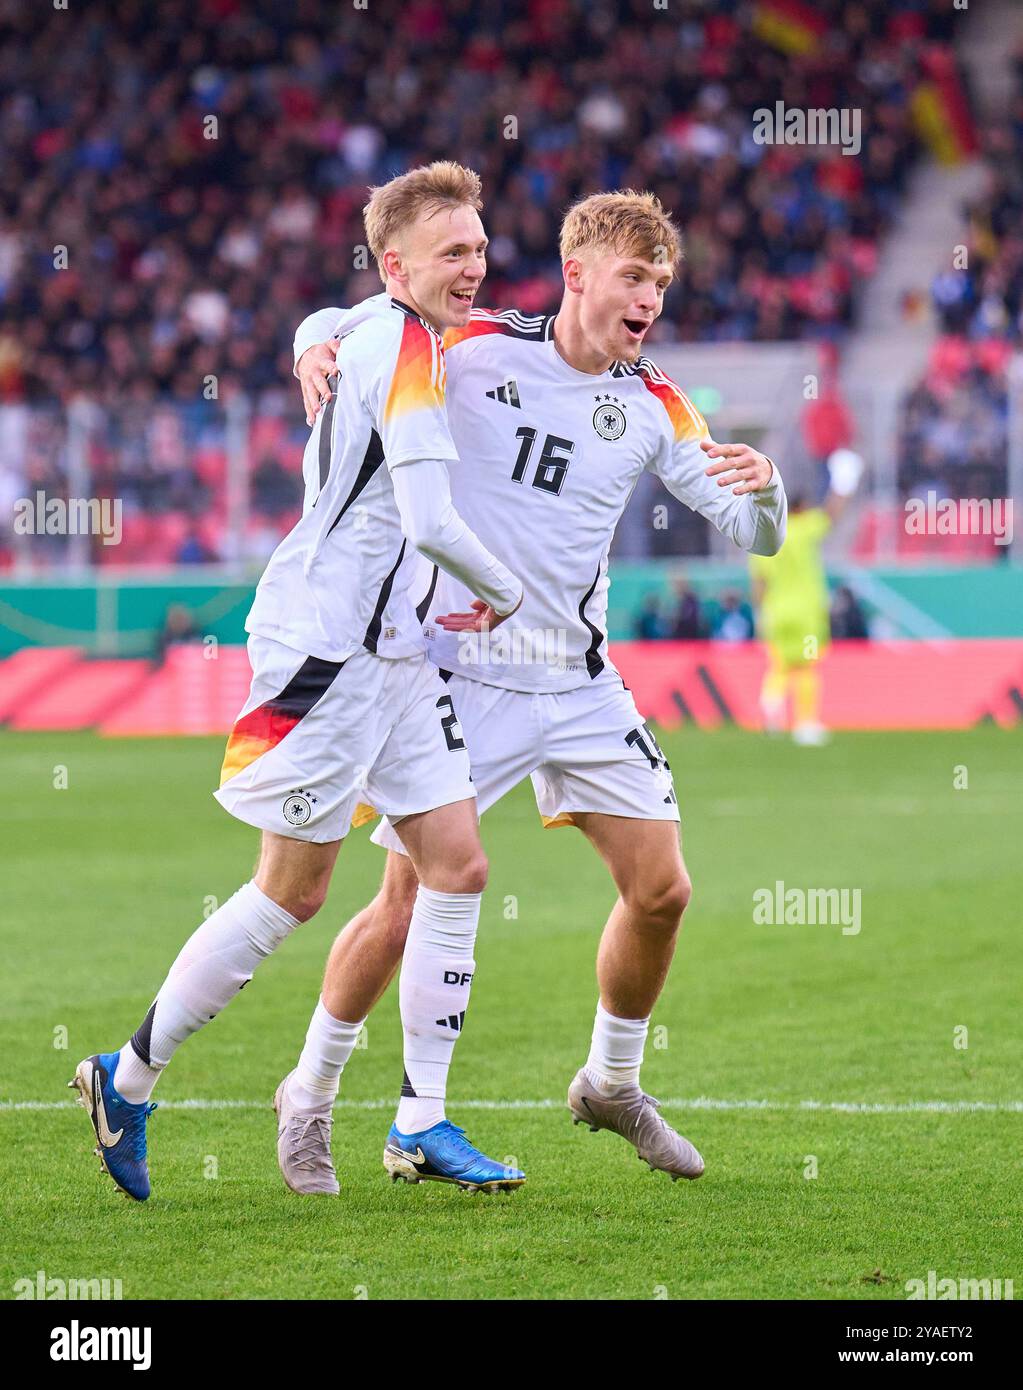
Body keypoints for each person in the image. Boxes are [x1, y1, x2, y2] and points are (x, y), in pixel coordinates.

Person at [280, 190, 787, 1195]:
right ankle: (310, 1095)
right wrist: (308, 341)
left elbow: (757, 534)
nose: (648, 299)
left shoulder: (655, 405)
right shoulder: (472, 344)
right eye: (634, 278)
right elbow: (355, 319)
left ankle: (611, 1082)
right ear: (579, 274)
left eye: (661, 284)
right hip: (463, 677)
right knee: (401, 904)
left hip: (583, 684)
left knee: (663, 889)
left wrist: (767, 487)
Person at [69, 162, 525, 1201]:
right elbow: (429, 521)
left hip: (395, 653)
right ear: (397, 265)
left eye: (482, 247)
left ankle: (422, 1118)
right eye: (455, 252)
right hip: (328, 654)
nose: (476, 266)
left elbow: (336, 311)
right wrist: (509, 595)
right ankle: (126, 1075)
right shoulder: (402, 344)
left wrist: (309, 329)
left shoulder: (378, 325)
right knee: (295, 890)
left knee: (455, 867)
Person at [749, 448, 862, 744]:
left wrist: (760, 614)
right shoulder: (803, 528)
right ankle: (806, 723)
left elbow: (759, 582)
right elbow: (832, 514)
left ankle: (770, 704)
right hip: (805, 611)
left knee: (781, 665)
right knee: (807, 666)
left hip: (777, 611)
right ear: (801, 507)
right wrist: (844, 483)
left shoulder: (765, 537)